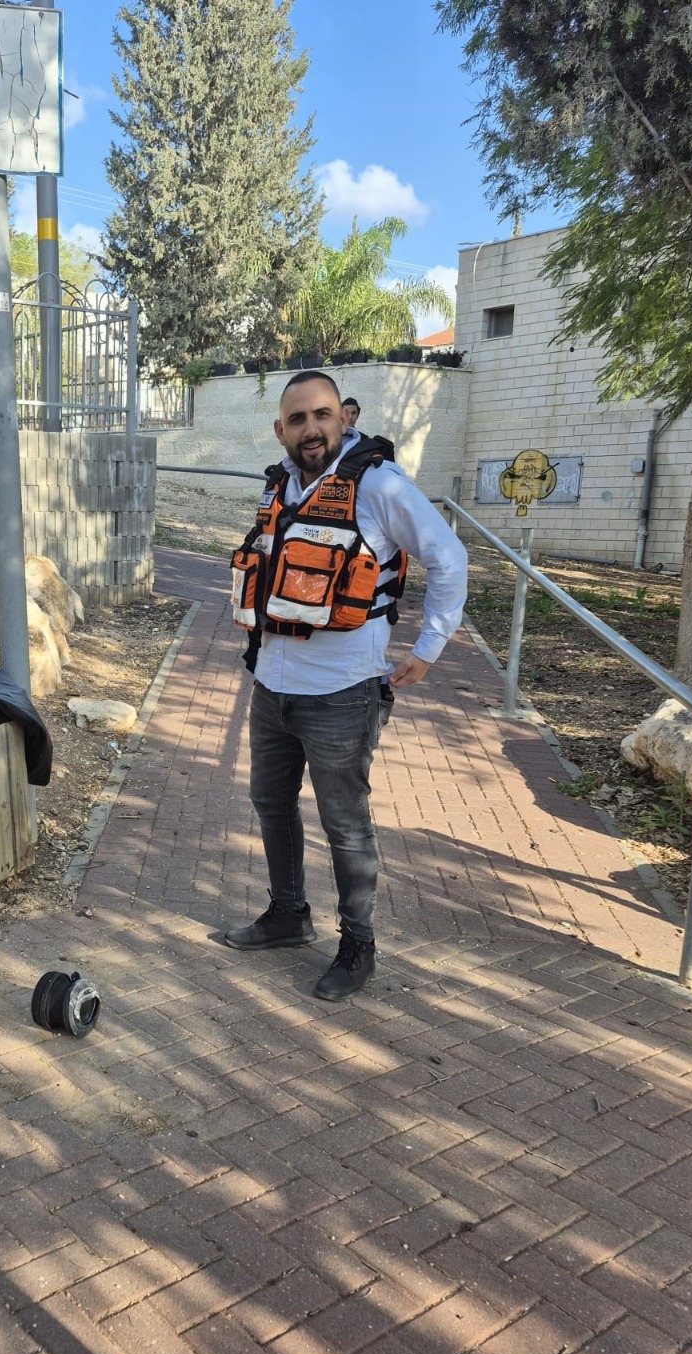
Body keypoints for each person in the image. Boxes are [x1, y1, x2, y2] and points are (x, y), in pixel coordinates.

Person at [226, 371, 468, 999]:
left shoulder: (379, 485)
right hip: (272, 686)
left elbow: (449, 557)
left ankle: (358, 947)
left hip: (342, 693)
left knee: (345, 824)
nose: (312, 428)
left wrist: (428, 649)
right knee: (271, 805)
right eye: (298, 419)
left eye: (323, 415)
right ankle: (288, 915)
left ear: (344, 420)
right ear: (281, 429)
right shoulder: (279, 486)